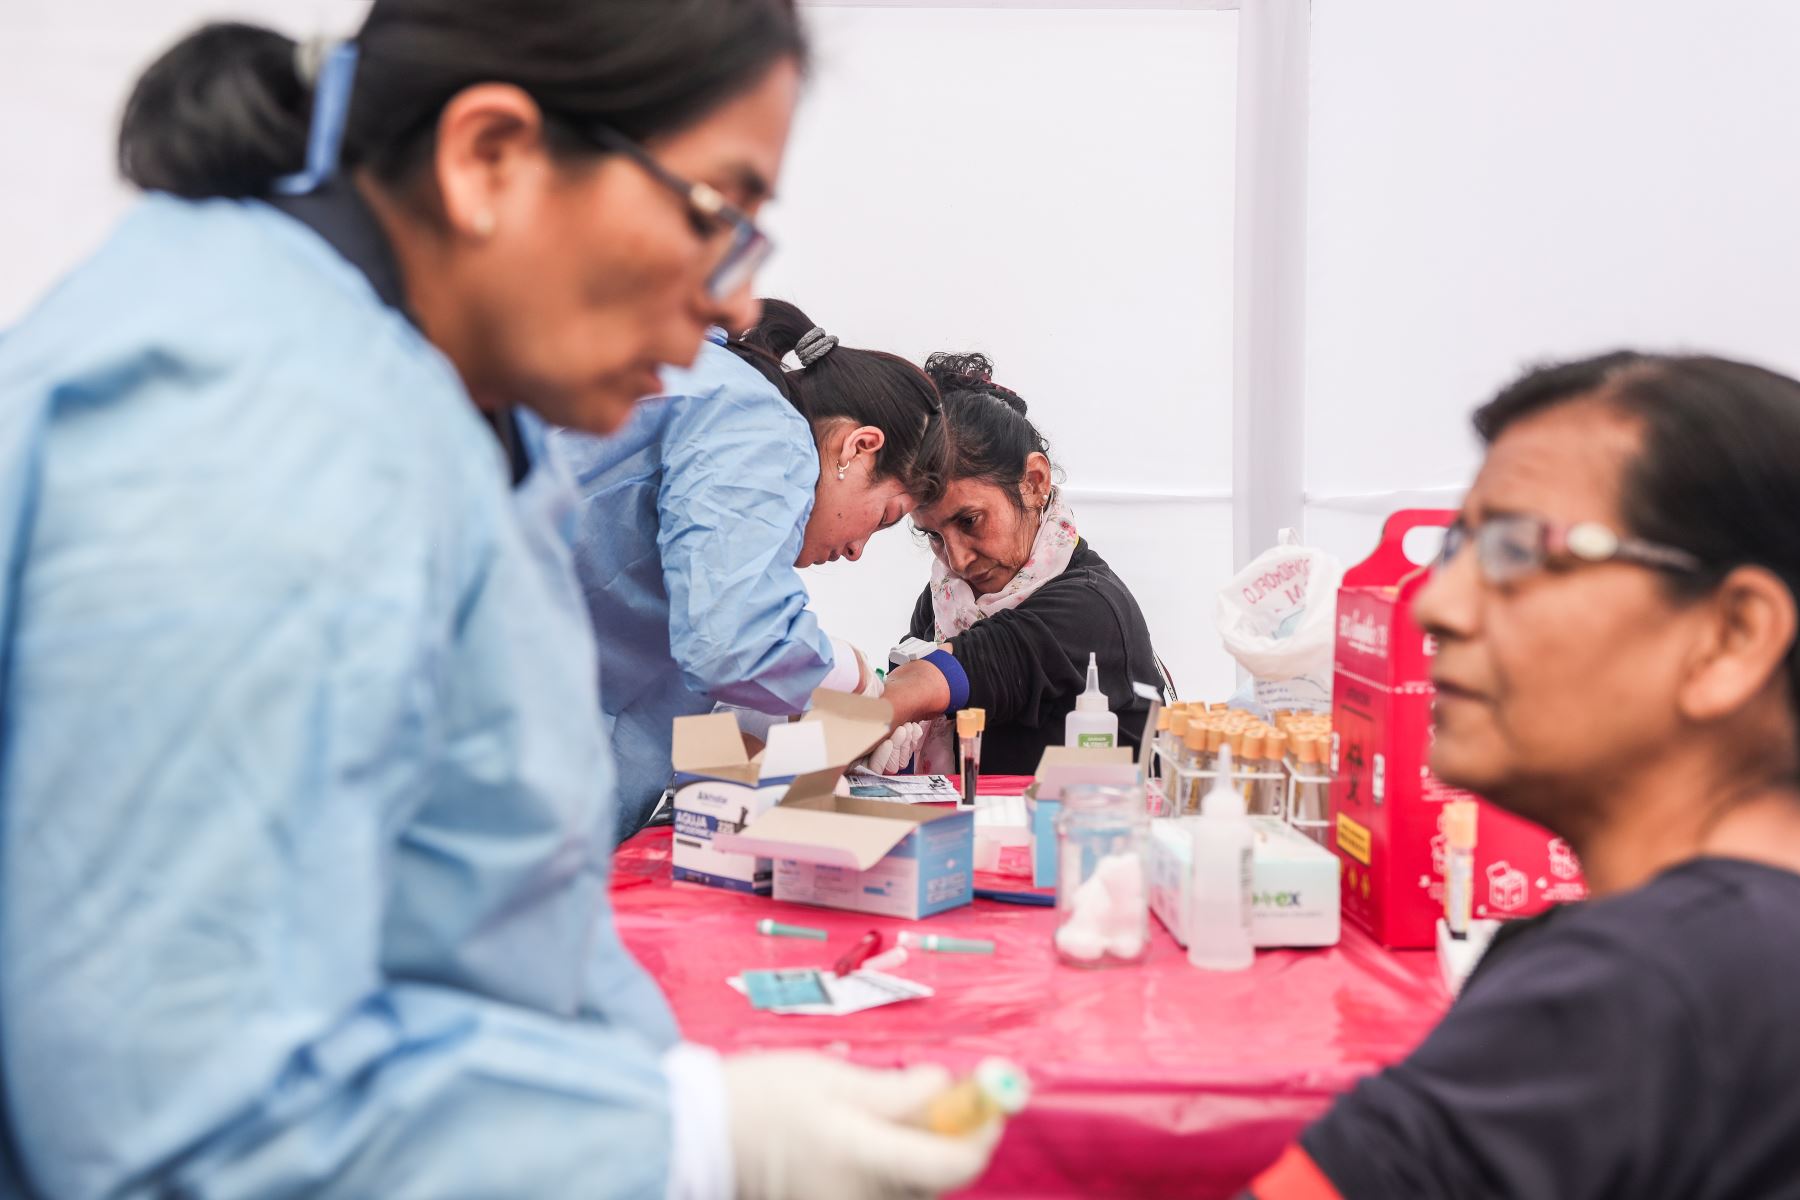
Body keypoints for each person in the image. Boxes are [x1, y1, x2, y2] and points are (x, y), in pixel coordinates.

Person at [0, 5, 997, 1197]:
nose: (735, 310)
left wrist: (650, 1089)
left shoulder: (448, 403)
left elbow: (484, 905)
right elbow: (182, 1114)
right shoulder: (257, 434)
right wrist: (681, 1145)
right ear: (488, 157)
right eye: (714, 216)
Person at [1246, 352, 1800, 1200]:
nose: (1436, 604)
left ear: (1731, 636)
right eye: (1460, 546)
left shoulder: (1634, 992)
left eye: (1517, 549)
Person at [551, 298, 944, 837]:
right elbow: (729, 640)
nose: (856, 552)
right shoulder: (759, 425)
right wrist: (849, 676)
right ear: (860, 446)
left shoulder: (707, 390)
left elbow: (679, 661)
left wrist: (777, 724)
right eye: (883, 518)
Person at [874, 353, 1164, 774]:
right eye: (933, 535)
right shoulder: (946, 596)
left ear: (1033, 483)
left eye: (969, 521)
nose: (957, 558)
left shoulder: (1090, 605)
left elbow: (951, 673)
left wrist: (857, 715)